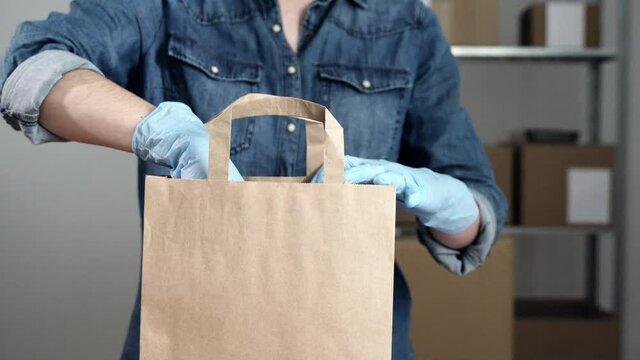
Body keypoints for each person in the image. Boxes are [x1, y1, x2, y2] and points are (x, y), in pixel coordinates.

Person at [0, 0, 507, 358]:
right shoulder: (165, 5)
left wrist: (451, 203)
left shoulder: (409, 24)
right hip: (193, 337)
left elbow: (473, 214)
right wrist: (163, 133)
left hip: (361, 339)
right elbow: (31, 70)